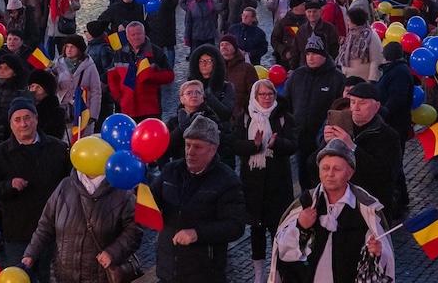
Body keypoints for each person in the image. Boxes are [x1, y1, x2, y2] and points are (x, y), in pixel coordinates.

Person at [271, 138, 395, 283]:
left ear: (349, 173)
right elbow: (285, 254)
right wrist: (300, 226)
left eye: (337, 169)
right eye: (325, 168)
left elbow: (382, 260)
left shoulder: (365, 211)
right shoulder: (306, 204)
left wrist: (378, 252)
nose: (330, 174)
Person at [0, 98, 71, 274]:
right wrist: (8, 186)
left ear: (36, 119)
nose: (23, 124)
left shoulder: (58, 148)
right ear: (10, 124)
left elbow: (72, 183)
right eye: (17, 119)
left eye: (27, 118)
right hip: (18, 233)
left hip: (54, 232)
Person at [152, 114, 246, 283]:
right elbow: (152, 199)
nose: (190, 152)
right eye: (187, 145)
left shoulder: (227, 181)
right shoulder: (170, 171)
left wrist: (197, 234)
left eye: (197, 147)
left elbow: (235, 226)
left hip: (204, 273)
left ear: (213, 149)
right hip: (167, 270)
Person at [22, 163, 143, 283]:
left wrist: (113, 252)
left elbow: (134, 230)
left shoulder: (122, 192)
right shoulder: (65, 186)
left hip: (100, 276)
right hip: (63, 276)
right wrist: (31, 253)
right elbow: (45, 225)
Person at [235, 79, 296, 282]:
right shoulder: (245, 118)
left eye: (270, 94)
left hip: (277, 184)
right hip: (252, 184)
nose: (267, 98)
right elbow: (235, 145)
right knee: (257, 230)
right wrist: (255, 145)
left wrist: (275, 143)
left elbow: (293, 145)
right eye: (263, 95)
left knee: (278, 229)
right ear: (255, 96)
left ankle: (277, 270)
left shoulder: (283, 117)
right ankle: (259, 273)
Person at [323, 81, 404, 220]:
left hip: (373, 207)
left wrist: (352, 147)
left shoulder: (388, 135)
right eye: (353, 102)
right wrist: (326, 145)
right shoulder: (342, 128)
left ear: (376, 106)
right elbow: (313, 164)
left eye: (362, 103)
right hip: (341, 206)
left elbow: (386, 175)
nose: (355, 108)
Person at [285, 36, 345, 190]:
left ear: (323, 55)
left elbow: (341, 107)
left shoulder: (337, 78)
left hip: (323, 139)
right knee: (303, 174)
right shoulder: (297, 76)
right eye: (308, 54)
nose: (310, 58)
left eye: (314, 54)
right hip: (300, 136)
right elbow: (287, 102)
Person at [54, 36, 102, 139]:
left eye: (73, 47)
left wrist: (93, 114)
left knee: (82, 140)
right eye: (67, 47)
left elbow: (96, 90)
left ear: (79, 50)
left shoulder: (89, 66)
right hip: (64, 110)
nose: (69, 50)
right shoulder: (58, 64)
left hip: (83, 111)